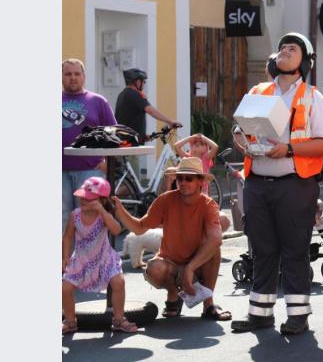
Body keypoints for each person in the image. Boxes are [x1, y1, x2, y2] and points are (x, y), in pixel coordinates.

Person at [230, 32, 323, 335]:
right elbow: (240, 130)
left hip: (295, 183)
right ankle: (260, 314)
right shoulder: (259, 90)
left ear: (305, 61)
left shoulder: (313, 97)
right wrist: (242, 143)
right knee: (261, 249)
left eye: (293, 49)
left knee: (294, 250)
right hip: (258, 183)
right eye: (282, 48)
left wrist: (289, 149)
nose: (285, 52)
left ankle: (298, 315)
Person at [113, 157, 232, 322]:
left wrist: (190, 268)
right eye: (180, 178)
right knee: (154, 268)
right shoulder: (165, 199)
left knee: (214, 250)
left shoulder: (208, 204)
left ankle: (209, 305)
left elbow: (216, 239)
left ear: (201, 182)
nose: (183, 182)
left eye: (188, 178)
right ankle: (173, 294)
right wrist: (120, 210)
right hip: (170, 263)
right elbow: (139, 228)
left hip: (197, 265)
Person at [62, 177, 138, 334]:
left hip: (104, 258)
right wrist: (65, 257)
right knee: (65, 288)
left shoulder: (103, 216)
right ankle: (70, 322)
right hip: (82, 259)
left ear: (101, 201)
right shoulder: (75, 215)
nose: (83, 200)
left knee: (118, 282)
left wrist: (102, 211)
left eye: (89, 198)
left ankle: (118, 319)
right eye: (82, 196)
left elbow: (116, 230)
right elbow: (68, 236)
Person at [62, 58, 117, 231]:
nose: (72, 77)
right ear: (61, 76)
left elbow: (113, 134)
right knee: (61, 221)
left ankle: (88, 259)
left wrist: (107, 162)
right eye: (68, 74)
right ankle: (63, 258)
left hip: (90, 171)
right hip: (59, 172)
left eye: (77, 73)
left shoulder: (98, 101)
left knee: (90, 222)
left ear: (84, 76)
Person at [115, 68, 180, 178]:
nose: (144, 84)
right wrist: (170, 121)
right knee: (131, 185)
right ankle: (112, 195)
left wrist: (143, 136)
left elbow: (126, 120)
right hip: (129, 147)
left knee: (127, 181)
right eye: (143, 81)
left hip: (123, 144)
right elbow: (150, 110)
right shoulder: (134, 94)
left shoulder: (123, 95)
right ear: (137, 82)